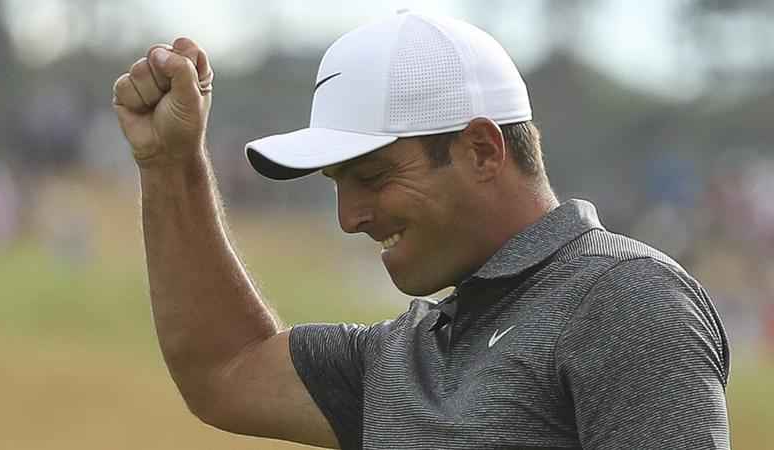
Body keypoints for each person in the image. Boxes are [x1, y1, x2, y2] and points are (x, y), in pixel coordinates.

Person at [112, 12, 730, 450]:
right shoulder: (402, 354)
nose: (348, 217)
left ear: (484, 152)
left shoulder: (623, 300)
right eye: (337, 184)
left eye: (374, 176)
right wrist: (170, 163)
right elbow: (226, 367)